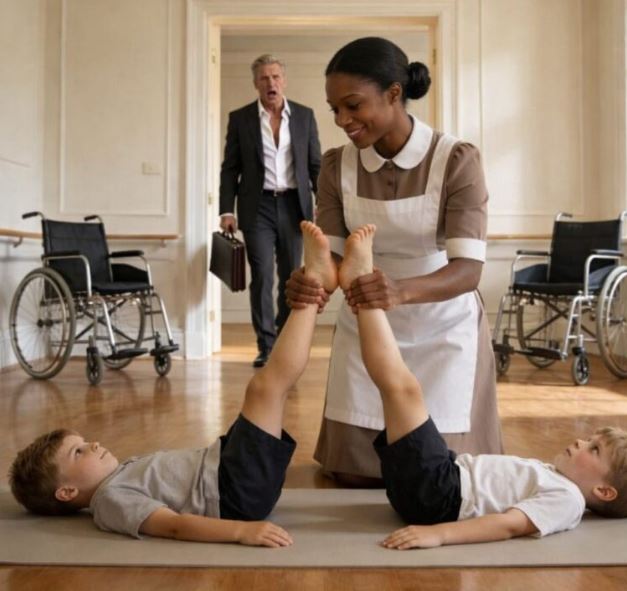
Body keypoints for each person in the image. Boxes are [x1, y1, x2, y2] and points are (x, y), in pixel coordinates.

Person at [9, 222, 337, 547]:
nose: (93, 445)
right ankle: (314, 285)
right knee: (266, 389)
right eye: (78, 452)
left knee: (268, 390)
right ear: (67, 492)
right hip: (233, 493)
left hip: (226, 472)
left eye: (84, 442)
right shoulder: (110, 500)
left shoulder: (117, 477)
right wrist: (241, 531)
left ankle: (315, 285)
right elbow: (174, 527)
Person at [342, 224, 627, 549]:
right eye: (591, 440)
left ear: (604, 491)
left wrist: (439, 534)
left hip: (439, 493)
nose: (581, 441)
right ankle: (360, 286)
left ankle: (361, 282)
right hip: (438, 482)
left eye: (594, 450)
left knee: (402, 389)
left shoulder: (569, 501)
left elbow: (509, 525)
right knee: (399, 389)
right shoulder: (557, 478)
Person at [286, 37, 502, 486]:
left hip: (442, 320)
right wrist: (312, 280)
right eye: (334, 110)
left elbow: (469, 270)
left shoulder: (455, 160)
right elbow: (333, 257)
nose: (342, 120)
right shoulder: (336, 167)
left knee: (445, 475)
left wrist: (399, 291)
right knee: (355, 474)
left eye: (353, 105)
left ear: (394, 93)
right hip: (367, 321)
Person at [220, 54, 322, 368]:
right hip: (257, 207)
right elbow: (230, 169)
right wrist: (226, 210)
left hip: (294, 206)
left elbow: (315, 165)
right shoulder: (241, 119)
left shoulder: (304, 116)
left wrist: (324, 204)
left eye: (275, 77)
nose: (271, 83)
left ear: (284, 81)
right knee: (262, 276)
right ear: (256, 84)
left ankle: (285, 342)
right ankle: (266, 345)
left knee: (292, 276)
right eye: (264, 78)